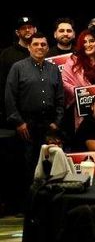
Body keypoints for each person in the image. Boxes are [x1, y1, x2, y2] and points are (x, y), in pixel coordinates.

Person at [5, 32, 63, 198]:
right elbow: (9, 97)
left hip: (48, 124)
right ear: (29, 47)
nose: (40, 47)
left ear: (47, 48)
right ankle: (29, 204)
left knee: (49, 164)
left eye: (43, 45)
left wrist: (56, 122)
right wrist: (19, 122)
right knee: (28, 165)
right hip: (26, 124)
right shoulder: (18, 67)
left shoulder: (53, 69)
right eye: (36, 44)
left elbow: (60, 98)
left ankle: (47, 203)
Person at [1, 16, 36, 108]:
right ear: (17, 32)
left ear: (35, 29)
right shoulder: (7, 54)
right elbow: (3, 83)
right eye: (23, 28)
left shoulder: (42, 51)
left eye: (30, 27)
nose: (27, 30)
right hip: (18, 107)